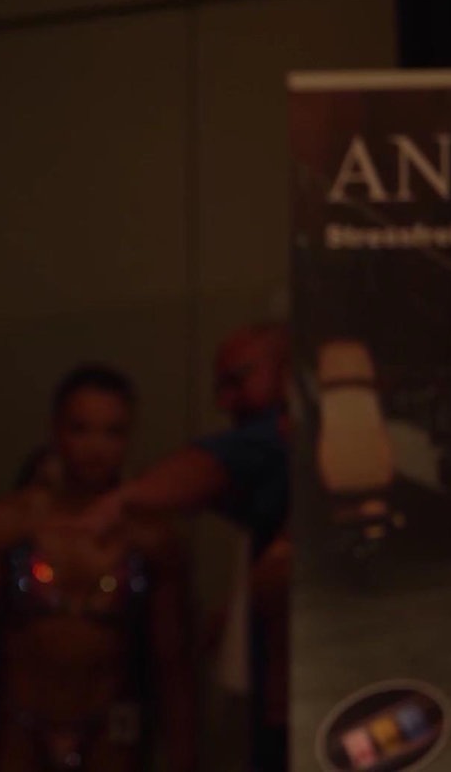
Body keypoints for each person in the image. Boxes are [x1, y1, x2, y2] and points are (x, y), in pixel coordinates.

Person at [0, 366, 197, 772]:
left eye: (112, 432)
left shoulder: (151, 538)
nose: (96, 448)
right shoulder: (7, 524)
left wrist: (185, 757)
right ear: (56, 431)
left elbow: (172, 661)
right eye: (81, 429)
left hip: (110, 731)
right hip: (18, 729)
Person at [86, 322, 291, 772]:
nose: (225, 401)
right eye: (220, 388)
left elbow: (216, 464)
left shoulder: (283, 435)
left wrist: (124, 500)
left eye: (238, 380)